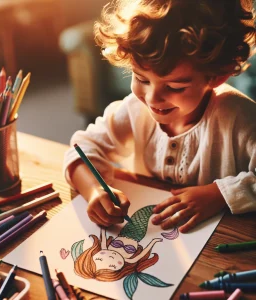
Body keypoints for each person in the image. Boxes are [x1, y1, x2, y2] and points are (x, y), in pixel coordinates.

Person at [63, 0, 256, 233]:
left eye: (175, 87)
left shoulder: (240, 118)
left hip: (227, 240)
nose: (153, 99)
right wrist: (94, 189)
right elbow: (81, 148)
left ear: (217, 76)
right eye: (142, 79)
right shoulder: (135, 109)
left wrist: (219, 195)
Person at [73, 205, 164, 281]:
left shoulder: (105, 246)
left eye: (99, 259)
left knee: (140, 214)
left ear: (94, 253)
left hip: (124, 231)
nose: (110, 258)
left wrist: (102, 221)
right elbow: (144, 252)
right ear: (119, 270)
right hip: (139, 234)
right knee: (144, 217)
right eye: (112, 265)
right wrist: (153, 241)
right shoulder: (130, 260)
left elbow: (103, 233)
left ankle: (158, 206)